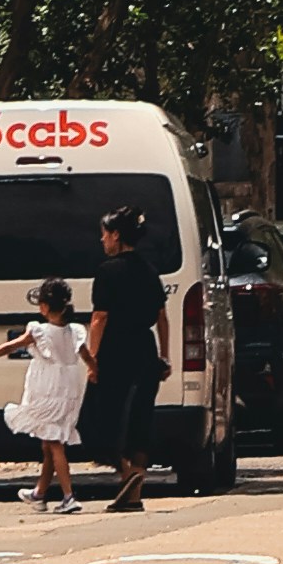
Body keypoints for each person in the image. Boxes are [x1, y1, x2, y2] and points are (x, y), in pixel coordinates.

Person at [85, 199, 169, 513]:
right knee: (140, 419)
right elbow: (162, 316)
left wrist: (92, 359)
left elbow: (99, 318)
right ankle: (134, 491)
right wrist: (165, 356)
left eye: (105, 235)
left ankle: (128, 473)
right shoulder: (149, 270)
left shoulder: (107, 272)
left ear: (117, 236)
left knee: (99, 420)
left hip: (115, 350)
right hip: (145, 349)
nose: (102, 240)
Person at [3, 276, 89, 510]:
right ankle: (40, 493)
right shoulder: (74, 331)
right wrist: (95, 371)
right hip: (69, 390)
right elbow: (87, 357)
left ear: (44, 307)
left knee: (54, 442)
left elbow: (12, 345)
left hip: (49, 391)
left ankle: (68, 495)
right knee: (49, 442)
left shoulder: (40, 331)